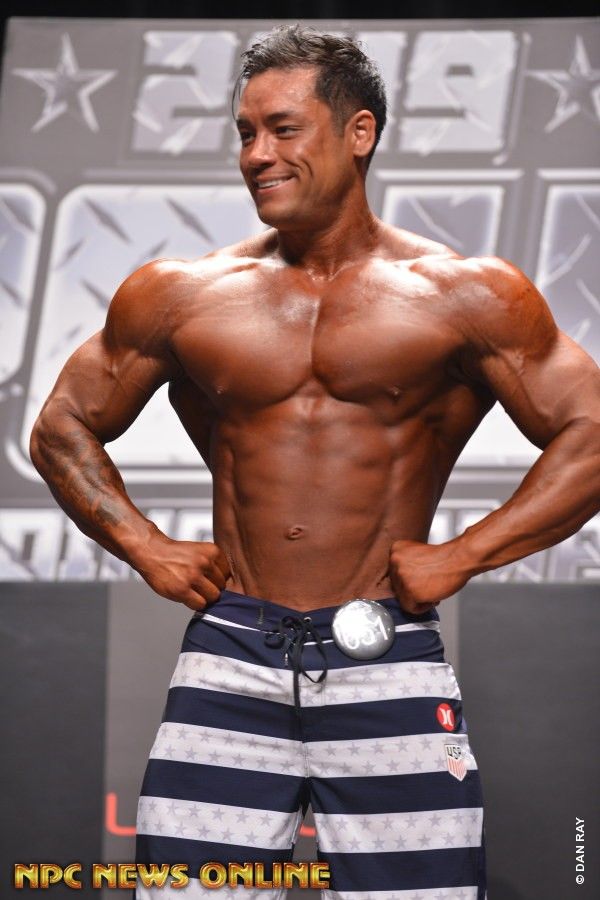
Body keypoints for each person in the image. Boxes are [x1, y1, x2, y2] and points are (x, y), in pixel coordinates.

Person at [30, 24, 599, 900]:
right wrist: (146, 546)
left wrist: (464, 552)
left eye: (282, 128)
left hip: (387, 650)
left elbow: (590, 432)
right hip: (229, 652)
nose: (257, 154)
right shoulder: (182, 295)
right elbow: (61, 426)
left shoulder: (465, 294)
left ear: (358, 132)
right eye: (245, 133)